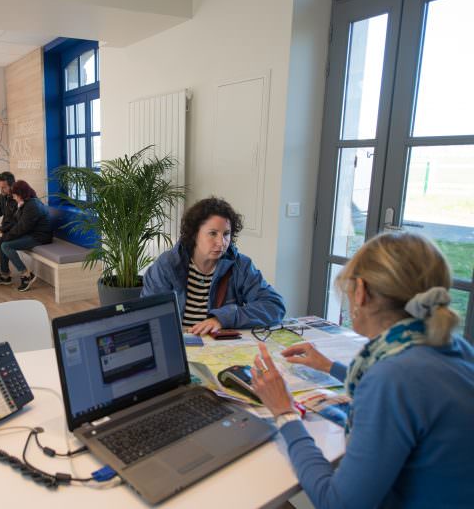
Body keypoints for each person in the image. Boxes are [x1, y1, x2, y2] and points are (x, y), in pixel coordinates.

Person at [251, 231, 474, 509]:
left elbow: (337, 503)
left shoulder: (392, 379)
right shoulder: (453, 345)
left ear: (361, 292)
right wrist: (329, 366)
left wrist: (284, 413)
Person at [142, 197, 285, 332]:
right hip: (180, 347)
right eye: (213, 233)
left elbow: (274, 306)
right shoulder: (167, 265)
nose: (221, 242)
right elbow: (148, 315)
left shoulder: (241, 266)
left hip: (221, 349)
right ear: (194, 234)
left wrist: (223, 319)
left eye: (226, 234)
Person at [0, 180, 52, 292]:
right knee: (4, 242)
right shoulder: (26, 203)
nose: (14, 198)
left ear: (21, 194)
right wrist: (1, 231)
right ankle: (5, 275)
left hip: (40, 237)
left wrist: (2, 238)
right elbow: (16, 222)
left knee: (6, 245)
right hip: (31, 233)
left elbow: (21, 228)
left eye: (15, 195)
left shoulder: (32, 206)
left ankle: (26, 274)